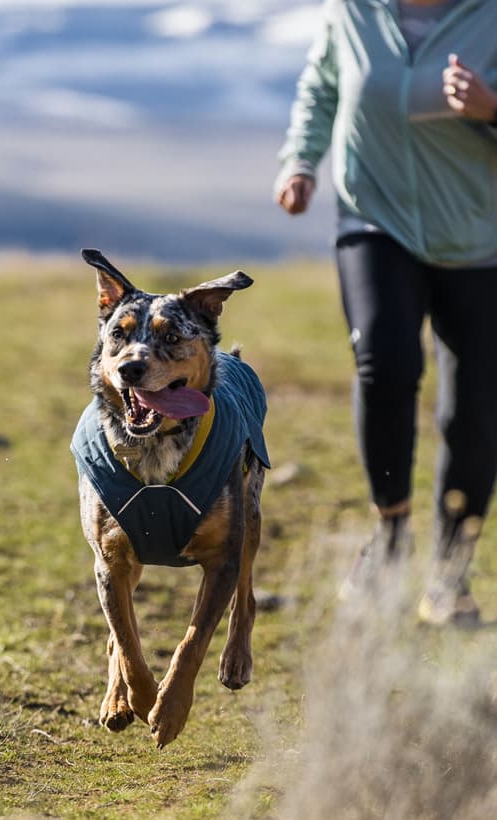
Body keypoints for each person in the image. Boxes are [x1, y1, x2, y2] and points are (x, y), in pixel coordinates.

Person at [275, 0, 497, 625]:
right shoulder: (352, 11)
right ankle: (391, 533)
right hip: (373, 217)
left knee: (475, 408)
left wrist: (491, 107)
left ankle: (451, 573)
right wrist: (300, 162)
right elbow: (321, 87)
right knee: (385, 361)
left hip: (480, 237)